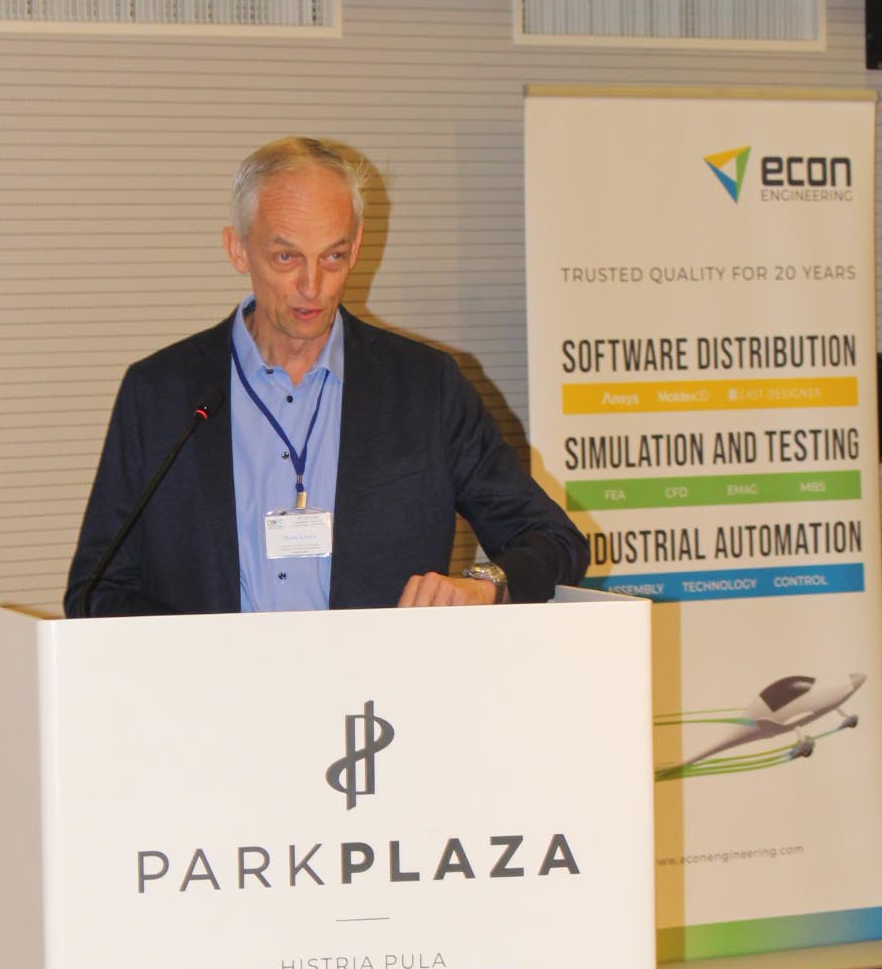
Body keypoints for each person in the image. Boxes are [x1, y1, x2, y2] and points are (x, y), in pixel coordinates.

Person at [64, 137, 587, 616]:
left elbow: (554, 541)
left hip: (378, 685)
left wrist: (485, 584)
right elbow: (95, 590)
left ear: (356, 248)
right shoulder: (161, 394)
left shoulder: (425, 387)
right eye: (286, 257)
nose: (312, 285)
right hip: (214, 686)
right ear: (238, 249)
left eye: (333, 256)